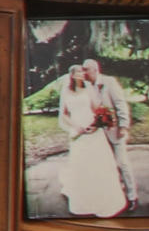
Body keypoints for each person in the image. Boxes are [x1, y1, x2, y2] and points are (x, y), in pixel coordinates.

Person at [55, 57, 135, 217]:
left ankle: (132, 197)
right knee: (86, 167)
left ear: (95, 69)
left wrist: (122, 127)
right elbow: (64, 114)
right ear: (72, 75)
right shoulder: (72, 89)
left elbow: (114, 106)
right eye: (80, 71)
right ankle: (89, 198)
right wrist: (77, 127)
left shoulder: (107, 82)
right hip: (82, 131)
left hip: (109, 131)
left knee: (121, 164)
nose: (83, 73)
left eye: (85, 70)